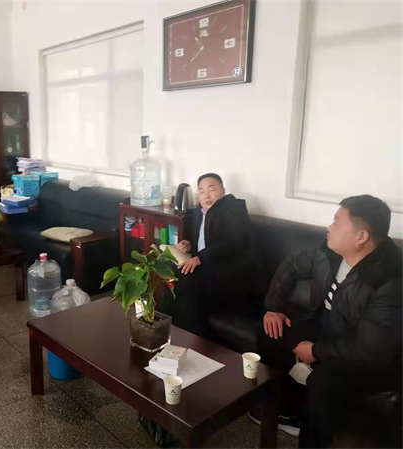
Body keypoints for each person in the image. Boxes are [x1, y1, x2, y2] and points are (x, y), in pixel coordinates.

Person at [251, 195, 402, 447]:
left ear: (361, 236)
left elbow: (371, 349)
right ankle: (291, 411)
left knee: (323, 380)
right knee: (269, 332)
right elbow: (292, 265)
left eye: (337, 222)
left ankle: (314, 439)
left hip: (366, 355)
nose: (329, 227)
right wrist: (274, 308)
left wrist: (315, 351)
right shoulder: (330, 251)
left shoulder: (389, 279)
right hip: (326, 329)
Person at [168, 173, 261, 336]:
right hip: (207, 270)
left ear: (223, 191)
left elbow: (233, 241)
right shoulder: (198, 213)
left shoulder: (234, 210)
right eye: (201, 191)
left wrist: (200, 258)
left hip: (231, 274)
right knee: (171, 274)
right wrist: (188, 243)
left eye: (211, 189)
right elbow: (200, 238)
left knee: (187, 286)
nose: (206, 195)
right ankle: (169, 332)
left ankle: (193, 339)